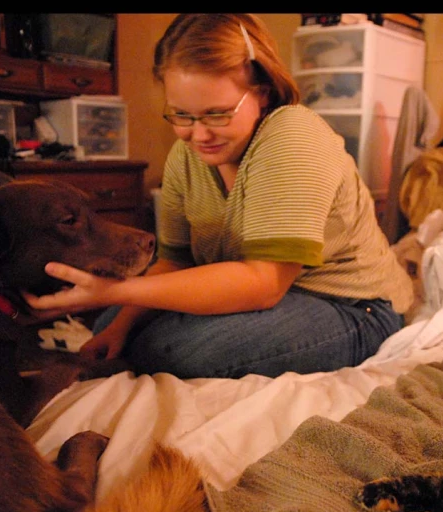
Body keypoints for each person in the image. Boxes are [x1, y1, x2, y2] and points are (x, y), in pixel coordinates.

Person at [24, 14, 414, 379]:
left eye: (217, 114)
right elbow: (175, 262)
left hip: (351, 305)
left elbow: (263, 284)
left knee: (177, 348)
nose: (199, 134)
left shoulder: (293, 137)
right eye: (182, 115)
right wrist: (121, 321)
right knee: (113, 323)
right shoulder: (187, 155)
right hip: (270, 295)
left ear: (261, 93)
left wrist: (116, 289)